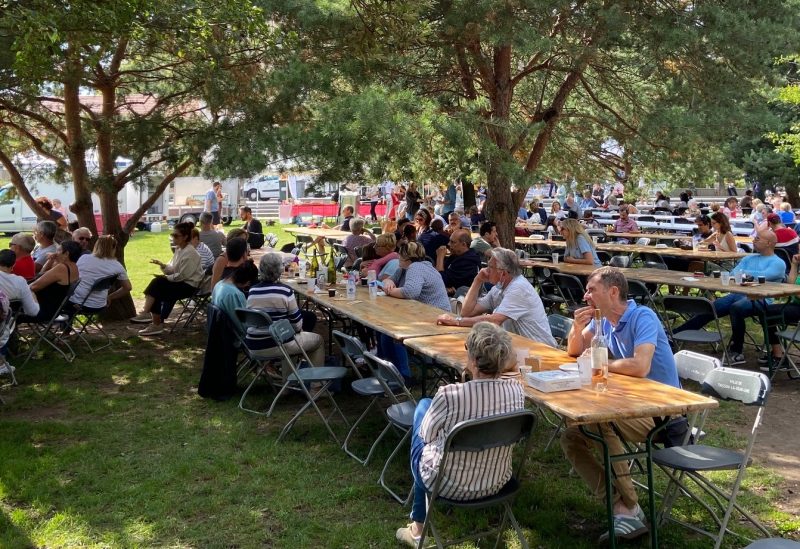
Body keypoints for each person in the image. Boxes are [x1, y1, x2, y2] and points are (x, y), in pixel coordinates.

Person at [562, 267, 680, 542]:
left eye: (591, 289)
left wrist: (603, 363)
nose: (585, 295)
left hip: (665, 412)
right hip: (632, 404)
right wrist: (577, 327)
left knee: (600, 420)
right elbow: (574, 351)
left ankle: (629, 508)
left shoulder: (642, 317)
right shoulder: (603, 320)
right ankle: (621, 505)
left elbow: (640, 366)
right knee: (572, 436)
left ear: (613, 292)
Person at [395, 322, 526, 547]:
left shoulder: (449, 395)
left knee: (423, 411)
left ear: (473, 359)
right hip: (498, 482)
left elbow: (426, 437)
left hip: (446, 485)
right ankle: (418, 527)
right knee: (432, 418)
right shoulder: (517, 391)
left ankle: (417, 528)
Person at [675, 229, 785, 364]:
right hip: (738, 294)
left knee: (736, 308)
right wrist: (745, 274)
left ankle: (736, 351)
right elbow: (733, 273)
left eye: (757, 239)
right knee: (710, 307)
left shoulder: (778, 263)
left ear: (769, 243)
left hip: (761, 300)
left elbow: (763, 276)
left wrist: (743, 272)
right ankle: (675, 335)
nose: (753, 240)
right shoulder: (748, 257)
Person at [436, 248, 557, 347]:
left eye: (490, 267)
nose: (485, 270)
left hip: (540, 349)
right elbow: (467, 313)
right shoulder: (500, 288)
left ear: (503, 272)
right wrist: (477, 281)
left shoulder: (518, 288)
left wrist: (456, 322)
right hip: (521, 348)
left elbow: (495, 320)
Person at [380, 242, 451, 380]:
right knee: (382, 328)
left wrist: (390, 291)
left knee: (391, 332)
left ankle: (402, 375)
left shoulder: (415, 267)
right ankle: (386, 369)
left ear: (406, 257)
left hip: (436, 318)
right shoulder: (405, 268)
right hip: (423, 314)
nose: (398, 257)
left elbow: (410, 292)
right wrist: (388, 283)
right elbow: (388, 280)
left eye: (400, 254)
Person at [245, 253, 325, 367]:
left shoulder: (253, 291)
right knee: (318, 340)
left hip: (253, 344)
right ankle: (317, 383)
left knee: (288, 336)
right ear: (280, 270)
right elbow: (297, 325)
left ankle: (289, 380)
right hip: (277, 344)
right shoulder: (284, 291)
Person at [131, 222, 203, 335]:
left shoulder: (190, 253)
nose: (173, 238)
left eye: (176, 235)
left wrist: (166, 277)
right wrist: (163, 266)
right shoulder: (180, 250)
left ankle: (152, 319)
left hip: (189, 286)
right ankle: (154, 322)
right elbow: (174, 270)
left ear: (185, 237)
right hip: (181, 282)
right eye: (172, 235)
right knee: (157, 287)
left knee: (158, 285)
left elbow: (182, 276)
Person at [22, 241, 81, 323]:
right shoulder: (74, 267)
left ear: (66, 253)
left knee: (8, 307)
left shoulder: (61, 268)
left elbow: (33, 287)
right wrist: (51, 260)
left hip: (41, 311)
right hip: (54, 311)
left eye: (59, 250)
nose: (56, 253)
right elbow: (41, 274)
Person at [68, 235, 132, 311]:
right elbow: (128, 287)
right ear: (114, 248)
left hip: (75, 302)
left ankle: (61, 321)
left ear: (96, 245)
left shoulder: (84, 258)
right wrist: (109, 297)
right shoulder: (117, 266)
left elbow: (73, 277)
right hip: (99, 305)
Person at [211, 262, 260, 334]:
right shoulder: (234, 294)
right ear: (248, 282)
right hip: (233, 337)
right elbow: (244, 326)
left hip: (219, 332)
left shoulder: (219, 284)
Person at [435, 229, 481, 296]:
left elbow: (440, 280)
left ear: (463, 244)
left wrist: (440, 257)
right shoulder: (457, 255)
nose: (448, 244)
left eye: (452, 242)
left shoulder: (468, 261)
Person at [0, 249, 39, 317]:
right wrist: (33, 296)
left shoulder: (20, 282)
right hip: (6, 323)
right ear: (14, 264)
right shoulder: (20, 282)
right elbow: (33, 312)